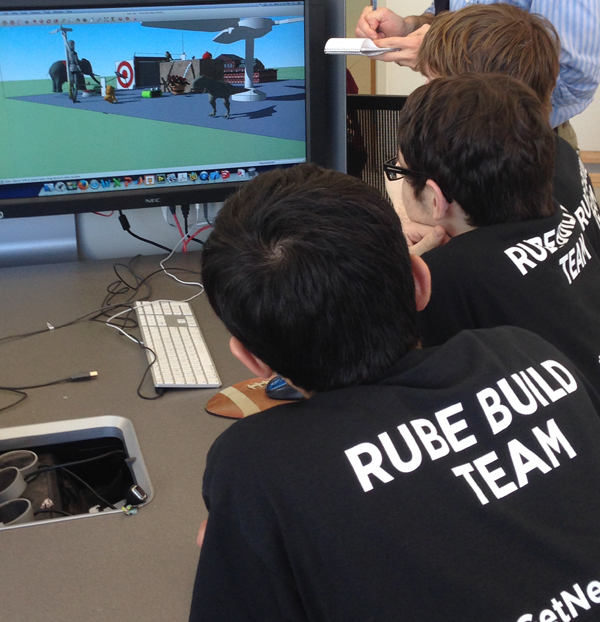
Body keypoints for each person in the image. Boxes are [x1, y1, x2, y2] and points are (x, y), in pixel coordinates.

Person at [188, 161, 600, 622]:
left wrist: (247, 543)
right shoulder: (526, 353)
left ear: (253, 360)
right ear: (420, 282)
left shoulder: (257, 469)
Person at [391, 72, 600, 390]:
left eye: (400, 172)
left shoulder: (439, 278)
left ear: (435, 199)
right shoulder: (559, 213)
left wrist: (400, 273)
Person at [388, 4, 600, 255]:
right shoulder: (555, 154)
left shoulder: (486, 229)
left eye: (434, 84)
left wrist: (407, 206)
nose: (425, 92)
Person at [355, 0, 600, 134]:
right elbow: (444, 11)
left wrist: (445, 57)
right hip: (458, 130)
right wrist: (410, 27)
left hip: (521, 141)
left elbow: (574, 81)